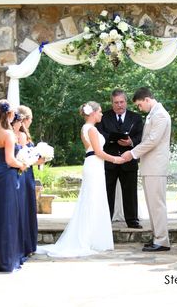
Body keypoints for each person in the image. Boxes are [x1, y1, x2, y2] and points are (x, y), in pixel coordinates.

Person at [36, 102, 125, 257]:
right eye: (100, 112)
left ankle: (93, 238)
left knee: (94, 200)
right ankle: (88, 238)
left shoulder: (86, 128)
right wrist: (117, 159)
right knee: (92, 200)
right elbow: (98, 152)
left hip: (94, 165)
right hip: (94, 164)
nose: (102, 114)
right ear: (93, 113)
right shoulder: (91, 129)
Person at [122, 87, 172, 252]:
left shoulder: (160, 115)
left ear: (147, 100)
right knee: (152, 205)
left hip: (156, 167)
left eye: (139, 105)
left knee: (157, 204)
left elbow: (152, 140)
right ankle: (157, 236)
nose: (139, 108)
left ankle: (162, 240)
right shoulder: (153, 114)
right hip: (150, 166)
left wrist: (133, 153)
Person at [0, 100, 27, 272]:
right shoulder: (9, 134)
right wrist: (23, 164)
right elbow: (10, 160)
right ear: (9, 114)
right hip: (7, 176)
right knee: (7, 216)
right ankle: (6, 259)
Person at [97, 89, 144, 229]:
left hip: (129, 160)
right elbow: (100, 135)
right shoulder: (103, 116)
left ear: (126, 102)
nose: (119, 105)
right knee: (107, 191)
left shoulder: (135, 118)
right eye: (116, 102)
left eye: (122, 102)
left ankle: (132, 220)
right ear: (112, 103)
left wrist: (130, 142)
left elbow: (141, 136)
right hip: (109, 161)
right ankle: (106, 220)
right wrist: (113, 140)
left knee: (130, 191)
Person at [17, 105, 43, 256]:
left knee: (28, 206)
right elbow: (23, 157)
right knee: (26, 207)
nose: (31, 121)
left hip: (28, 172)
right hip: (25, 173)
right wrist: (38, 160)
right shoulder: (21, 135)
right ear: (26, 119)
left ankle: (29, 243)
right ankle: (27, 244)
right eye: (31, 118)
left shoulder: (23, 133)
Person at [11, 112, 29, 262]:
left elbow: (24, 154)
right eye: (19, 122)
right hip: (12, 170)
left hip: (20, 171)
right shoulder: (7, 134)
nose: (20, 124)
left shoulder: (21, 136)